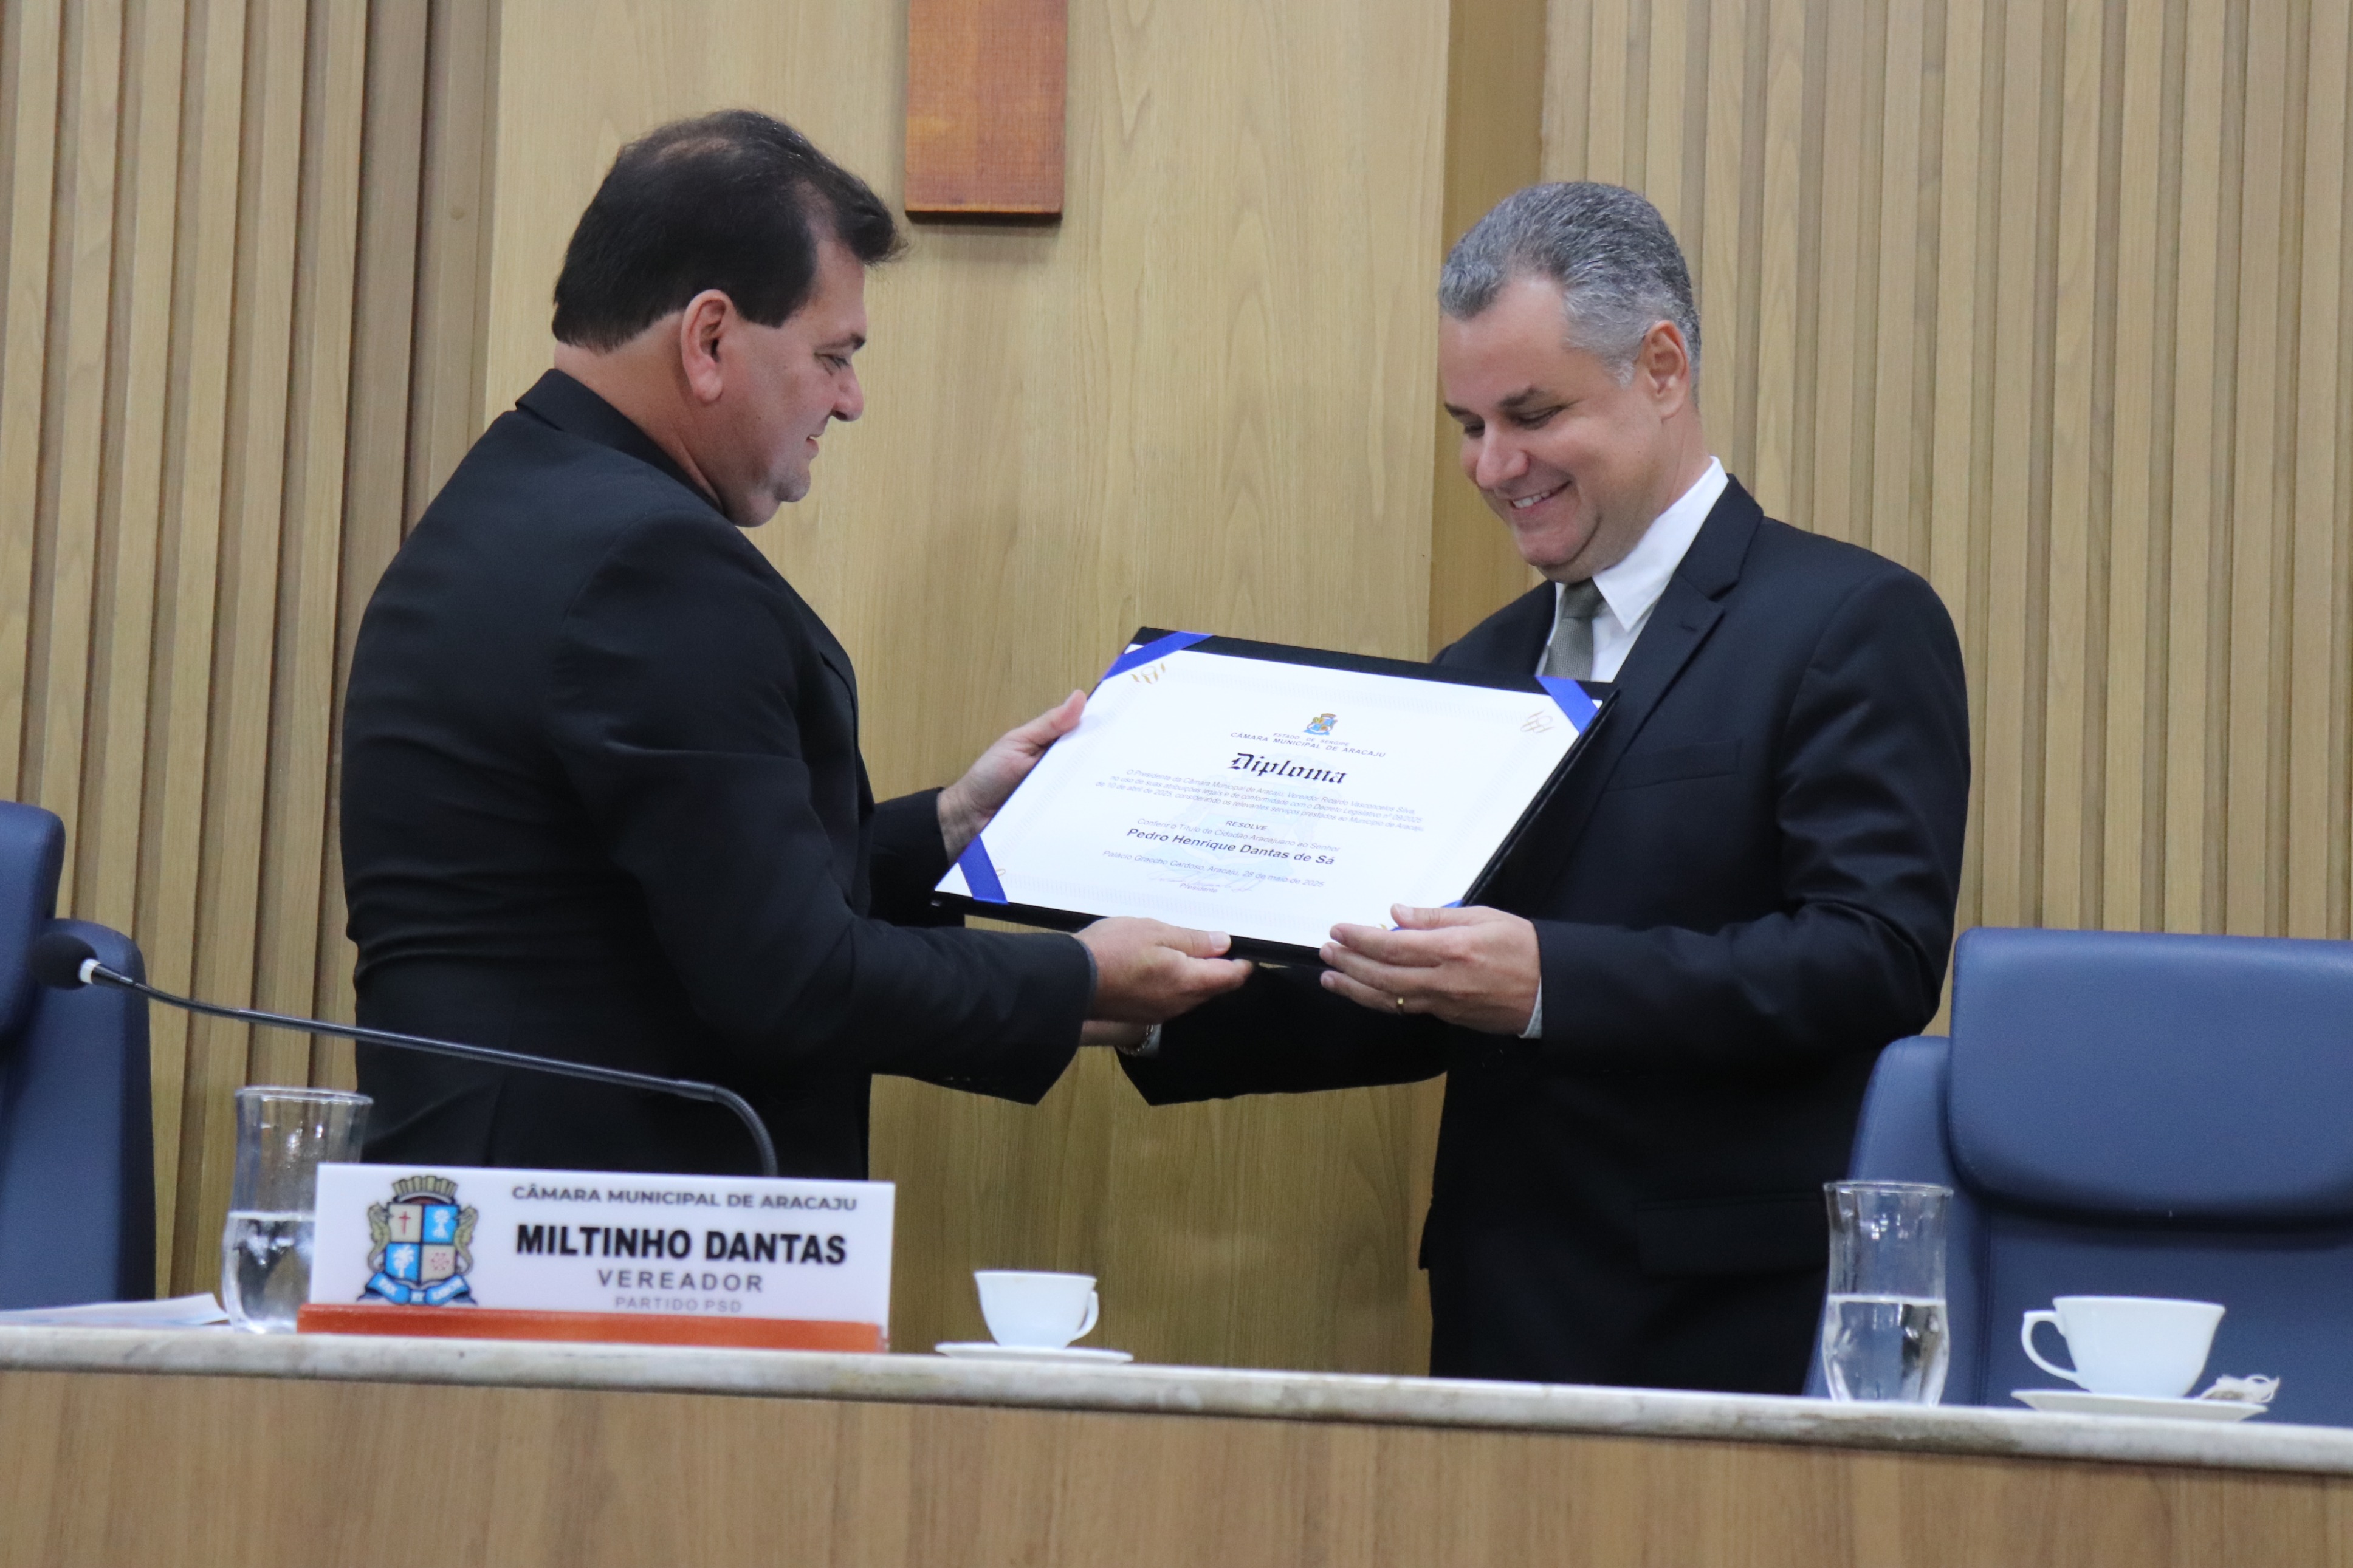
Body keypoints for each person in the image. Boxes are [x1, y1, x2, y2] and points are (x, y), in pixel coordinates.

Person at [1120, 183, 1970, 1394]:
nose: (1492, 465)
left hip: (1733, 1319)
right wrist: (1150, 1000)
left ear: (1661, 367)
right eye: (1467, 425)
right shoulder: (1480, 663)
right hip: (1498, 1311)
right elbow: (1405, 979)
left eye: (1531, 414)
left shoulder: (1848, 620)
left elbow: (1871, 955)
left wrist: (1546, 982)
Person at [340, 111, 1248, 1180]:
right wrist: (1079, 976)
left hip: (490, 1203)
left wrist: (955, 825)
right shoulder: (647, 563)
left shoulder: (512, 501)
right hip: (602, 1231)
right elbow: (792, 979)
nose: (850, 401)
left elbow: (671, 892)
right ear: (710, 339)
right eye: (833, 356)